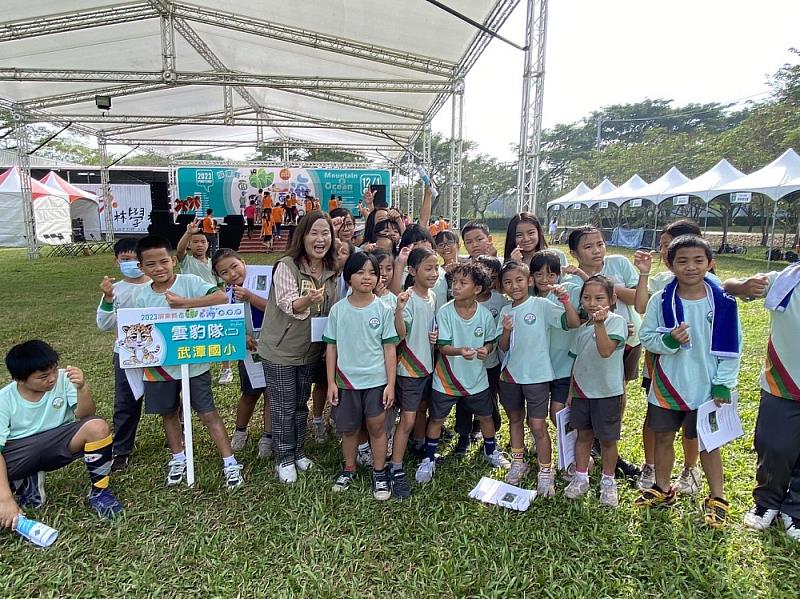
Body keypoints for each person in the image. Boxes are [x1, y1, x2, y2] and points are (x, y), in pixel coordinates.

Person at [637, 236, 741, 527]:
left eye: (698, 260)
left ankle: (717, 497)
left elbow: (733, 345)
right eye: (682, 261)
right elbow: (647, 338)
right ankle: (661, 487)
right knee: (663, 437)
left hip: (707, 386)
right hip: (669, 384)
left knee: (709, 442)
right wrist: (669, 339)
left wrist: (724, 382)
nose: (691, 267)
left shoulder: (723, 301)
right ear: (670, 264)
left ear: (710, 263)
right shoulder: (661, 300)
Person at [134, 235, 244, 489]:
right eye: (150, 265)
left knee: (207, 413)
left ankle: (229, 461)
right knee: (169, 413)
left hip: (194, 364)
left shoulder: (190, 282)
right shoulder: (142, 296)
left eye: (163, 262)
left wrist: (185, 303)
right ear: (142, 268)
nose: (159, 268)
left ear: (173, 261)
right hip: (159, 367)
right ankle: (178, 457)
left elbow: (219, 298)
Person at [0, 340, 124, 523]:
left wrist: (82, 388)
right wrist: (6, 500)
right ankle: (25, 482)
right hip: (19, 453)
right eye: (43, 376)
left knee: (97, 427)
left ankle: (100, 492)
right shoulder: (4, 399)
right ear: (19, 379)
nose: (51, 378)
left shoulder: (63, 379)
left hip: (57, 442)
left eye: (53, 371)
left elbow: (87, 416)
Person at [634, 219, 715, 494]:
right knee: (658, 422)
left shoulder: (714, 292)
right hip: (662, 369)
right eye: (664, 248)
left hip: (701, 375)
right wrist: (643, 274)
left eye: (668, 245)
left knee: (695, 429)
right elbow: (642, 307)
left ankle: (690, 469)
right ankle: (653, 469)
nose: (665, 252)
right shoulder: (661, 288)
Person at [256, 212, 338, 483]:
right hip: (280, 350)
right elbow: (288, 304)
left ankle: (299, 452)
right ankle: (284, 458)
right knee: (283, 406)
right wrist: (308, 299)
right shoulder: (286, 266)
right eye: (314, 232)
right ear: (302, 236)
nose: (320, 239)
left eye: (325, 233)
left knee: (301, 404)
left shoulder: (330, 271)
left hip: (310, 350)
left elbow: (332, 311)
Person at [725, 243, 800, 540]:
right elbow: (730, 287)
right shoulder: (784, 280)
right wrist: (743, 284)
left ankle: (794, 510)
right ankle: (766, 501)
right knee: (773, 446)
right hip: (782, 383)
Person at [415, 263, 511, 484]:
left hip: (476, 379)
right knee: (437, 419)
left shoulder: (485, 315)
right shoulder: (445, 311)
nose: (455, 287)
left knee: (486, 416)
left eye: (462, 283)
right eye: (454, 282)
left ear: (477, 289)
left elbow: (490, 342)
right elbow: (442, 346)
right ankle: (428, 458)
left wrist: (486, 350)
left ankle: (490, 450)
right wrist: (461, 351)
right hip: (446, 380)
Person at [565, 225, 643, 480]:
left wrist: (610, 291)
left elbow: (639, 300)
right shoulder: (573, 282)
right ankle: (593, 449)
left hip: (627, 340)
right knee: (594, 393)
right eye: (588, 247)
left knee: (617, 392)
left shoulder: (618, 263)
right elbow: (579, 317)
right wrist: (597, 290)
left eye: (600, 244)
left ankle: (607, 445)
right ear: (575, 252)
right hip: (591, 348)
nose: (597, 251)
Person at [498, 260, 580, 492]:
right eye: (508, 282)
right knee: (514, 419)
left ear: (529, 281)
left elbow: (572, 323)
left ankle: (546, 471)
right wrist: (506, 330)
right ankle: (518, 462)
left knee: (537, 424)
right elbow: (502, 347)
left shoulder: (541, 305)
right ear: (502, 287)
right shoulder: (506, 310)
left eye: (519, 280)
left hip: (537, 376)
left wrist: (565, 301)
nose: (514, 286)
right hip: (510, 377)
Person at [324, 253, 398, 499]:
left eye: (372, 273)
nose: (367, 278)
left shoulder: (384, 308)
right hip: (347, 382)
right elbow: (331, 347)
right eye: (360, 272)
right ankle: (349, 468)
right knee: (349, 429)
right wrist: (332, 382)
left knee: (377, 428)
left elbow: (390, 348)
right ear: (348, 277)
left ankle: (379, 472)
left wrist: (390, 385)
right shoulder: (338, 310)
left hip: (377, 381)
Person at [563, 275, 629, 508]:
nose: (592, 303)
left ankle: (608, 482)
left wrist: (600, 325)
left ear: (612, 299)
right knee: (583, 436)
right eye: (587, 298)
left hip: (607, 393)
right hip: (582, 392)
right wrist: (571, 392)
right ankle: (581, 477)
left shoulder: (616, 322)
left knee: (608, 440)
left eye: (599, 298)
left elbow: (605, 351)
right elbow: (576, 363)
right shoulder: (581, 330)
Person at [95, 237, 151, 472]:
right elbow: (104, 324)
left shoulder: (159, 285)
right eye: (126, 259)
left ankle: (176, 440)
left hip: (159, 353)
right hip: (126, 355)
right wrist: (108, 299)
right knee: (126, 402)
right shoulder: (115, 290)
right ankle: (121, 449)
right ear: (116, 260)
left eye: (137, 260)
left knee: (169, 398)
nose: (132, 264)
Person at [212, 249, 273, 459]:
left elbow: (274, 309)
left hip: (273, 347)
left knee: (271, 395)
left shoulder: (266, 282)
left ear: (243, 262)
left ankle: (268, 436)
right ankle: (240, 431)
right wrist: (241, 337)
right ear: (219, 277)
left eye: (234, 266)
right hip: (248, 352)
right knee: (249, 393)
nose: (232, 273)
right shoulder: (225, 297)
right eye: (224, 272)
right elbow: (224, 325)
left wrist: (250, 296)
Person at [390, 247, 439, 499]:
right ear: (412, 271)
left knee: (422, 411)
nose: (434, 273)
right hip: (409, 369)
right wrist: (399, 310)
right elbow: (401, 333)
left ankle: (419, 446)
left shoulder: (431, 297)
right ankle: (395, 468)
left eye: (436, 268)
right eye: (428, 268)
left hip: (427, 367)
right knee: (407, 419)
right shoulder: (407, 298)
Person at [453, 255, 507, 457]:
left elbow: (500, 332)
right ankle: (463, 436)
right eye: (483, 277)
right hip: (465, 364)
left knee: (489, 399)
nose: (487, 282)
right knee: (464, 401)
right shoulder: (462, 301)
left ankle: (490, 439)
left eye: (493, 278)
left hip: (490, 363)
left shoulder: (500, 301)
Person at [529, 251, 582, 431]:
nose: (545, 279)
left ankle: (578, 453)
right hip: (538, 370)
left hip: (563, 368)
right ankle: (539, 443)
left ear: (559, 275)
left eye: (551, 274)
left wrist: (579, 275)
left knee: (558, 413)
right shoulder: (528, 298)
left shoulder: (568, 290)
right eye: (539, 274)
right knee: (536, 414)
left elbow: (597, 289)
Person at [176, 219, 233, 386]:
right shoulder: (186, 261)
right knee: (196, 335)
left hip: (214, 303)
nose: (199, 245)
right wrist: (188, 233)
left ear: (208, 244)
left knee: (220, 335)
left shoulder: (212, 264)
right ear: (189, 245)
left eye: (202, 242)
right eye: (195, 242)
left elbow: (221, 284)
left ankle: (226, 369)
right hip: (193, 305)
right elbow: (179, 250)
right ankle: (198, 369)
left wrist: (224, 304)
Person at [503, 212, 568, 270]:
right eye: (519, 235)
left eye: (531, 233)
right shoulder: (508, 264)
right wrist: (513, 266)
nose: (526, 239)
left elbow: (566, 280)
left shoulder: (557, 256)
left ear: (538, 232)